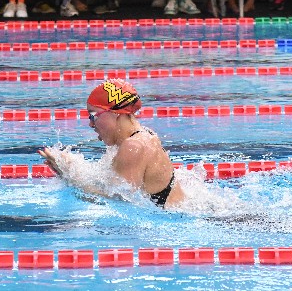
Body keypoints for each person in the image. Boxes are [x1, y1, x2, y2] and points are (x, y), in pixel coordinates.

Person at [38, 79, 186, 209]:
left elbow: (119, 203)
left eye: (93, 116)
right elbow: (114, 188)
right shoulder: (144, 135)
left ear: (116, 113)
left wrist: (71, 177)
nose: (90, 124)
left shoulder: (133, 146)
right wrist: (71, 169)